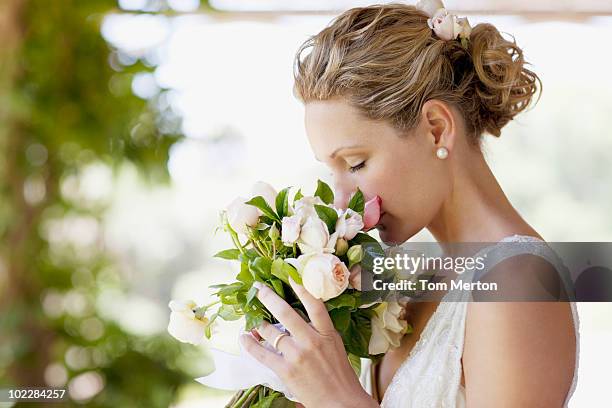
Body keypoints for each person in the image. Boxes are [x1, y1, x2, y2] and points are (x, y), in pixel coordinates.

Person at [239, 1, 579, 406]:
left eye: (356, 163)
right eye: (334, 171)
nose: (344, 201)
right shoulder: (420, 280)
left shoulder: (521, 283)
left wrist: (338, 398)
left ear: (437, 129)